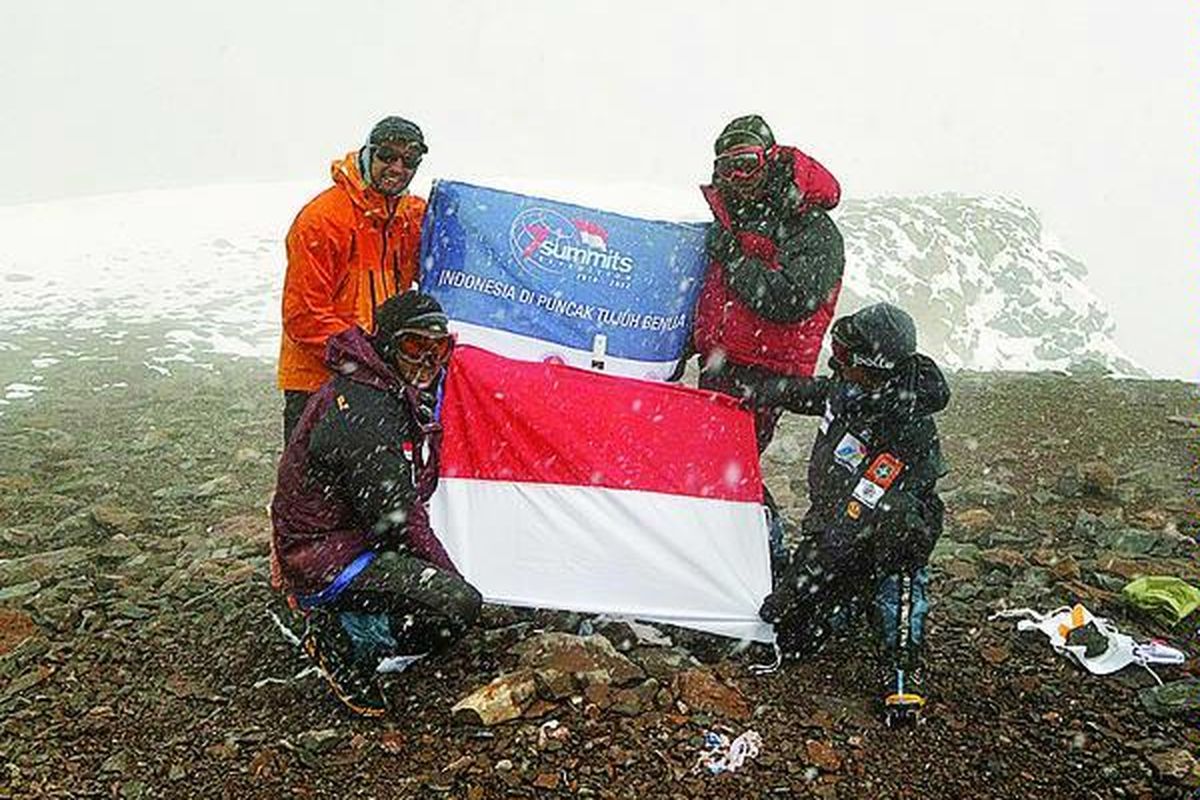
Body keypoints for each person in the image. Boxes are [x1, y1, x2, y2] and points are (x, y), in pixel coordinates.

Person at [270, 291, 481, 717]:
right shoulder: (365, 409)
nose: (427, 360)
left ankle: (336, 617)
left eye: (438, 348)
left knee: (441, 593)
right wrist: (448, 583)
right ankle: (345, 638)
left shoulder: (376, 387)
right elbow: (395, 519)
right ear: (387, 342)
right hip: (325, 556)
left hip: (335, 541)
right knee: (455, 608)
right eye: (413, 345)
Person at [751, 303, 949, 724]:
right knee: (794, 638)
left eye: (843, 357)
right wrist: (768, 388)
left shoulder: (904, 430)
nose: (835, 363)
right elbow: (822, 394)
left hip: (883, 533)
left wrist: (796, 586)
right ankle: (847, 601)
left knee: (899, 544)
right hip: (834, 527)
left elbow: (855, 517)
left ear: (872, 367)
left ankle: (902, 668)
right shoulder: (852, 387)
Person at [683, 114, 846, 571]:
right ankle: (727, 563)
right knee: (710, 465)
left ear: (769, 160)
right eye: (727, 168)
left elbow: (793, 300)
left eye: (746, 164)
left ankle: (764, 564)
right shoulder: (735, 220)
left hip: (765, 373)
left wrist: (734, 258)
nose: (737, 178)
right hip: (720, 364)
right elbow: (712, 297)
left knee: (729, 468)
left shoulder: (811, 229)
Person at [277, 116, 430, 443]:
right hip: (318, 382)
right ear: (367, 153)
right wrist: (367, 357)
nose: (398, 167)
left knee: (375, 485)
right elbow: (303, 315)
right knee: (311, 488)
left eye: (410, 160)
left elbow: (444, 262)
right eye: (387, 155)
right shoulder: (323, 220)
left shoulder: (409, 217)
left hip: (376, 382)